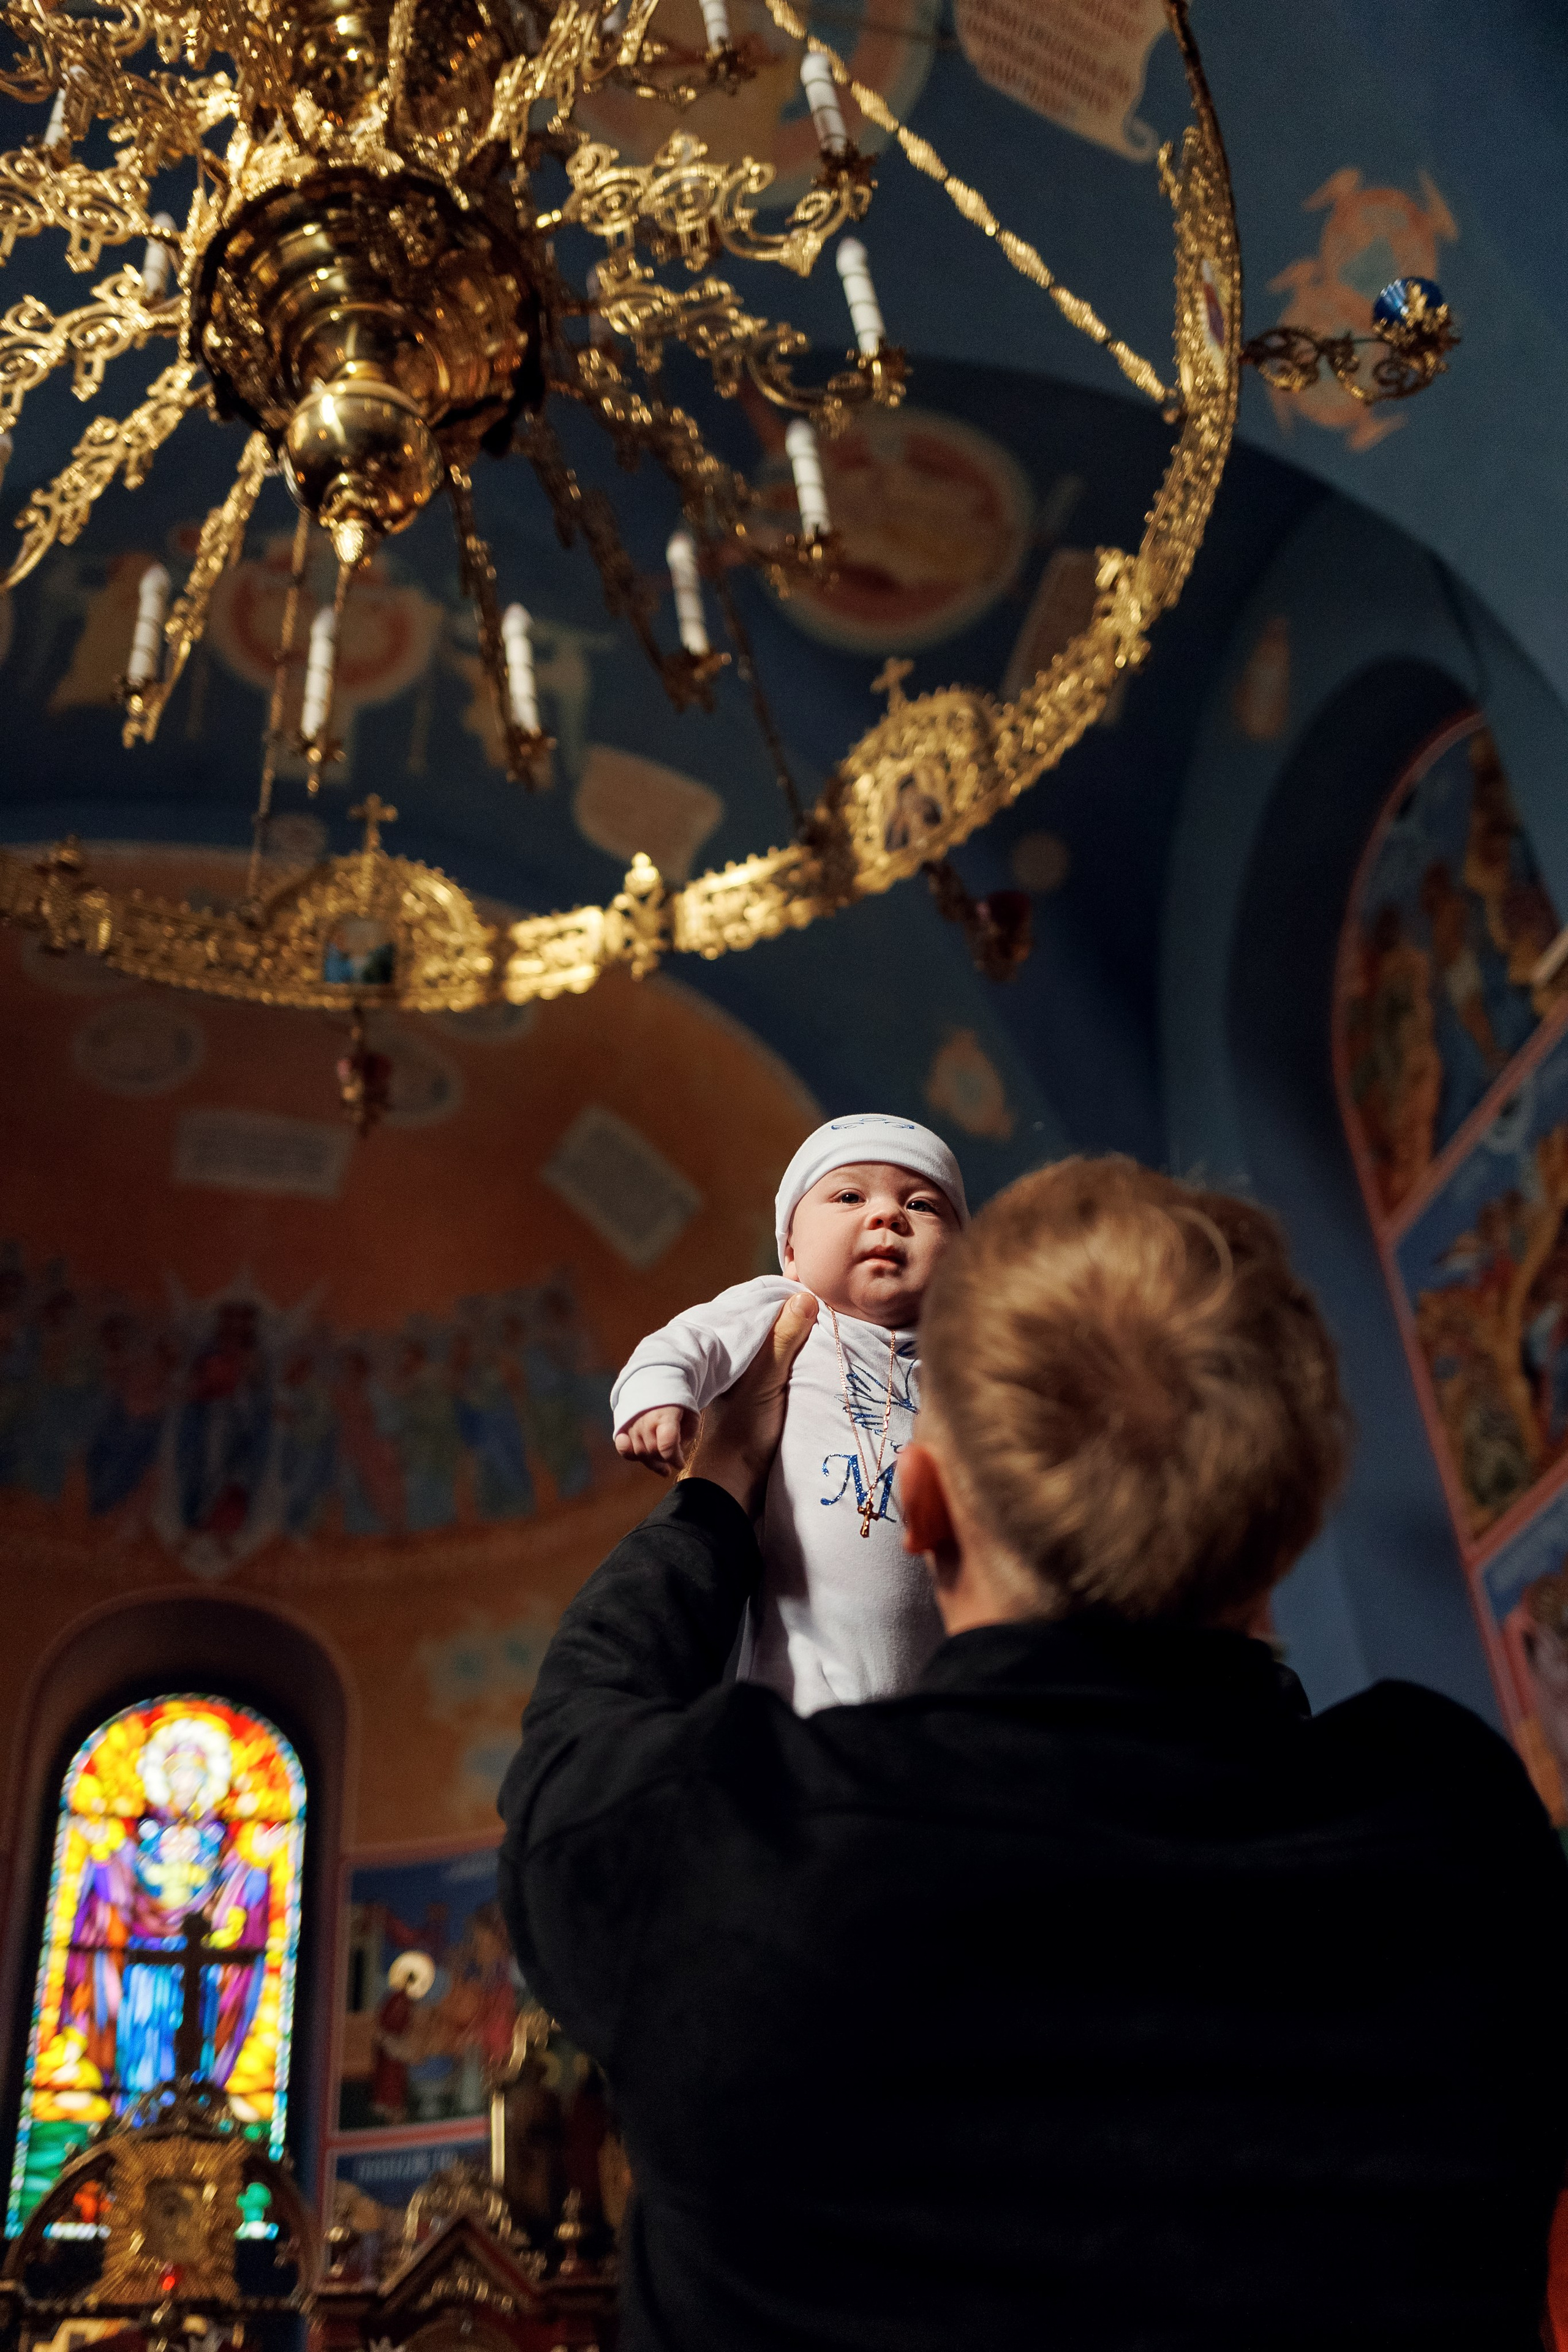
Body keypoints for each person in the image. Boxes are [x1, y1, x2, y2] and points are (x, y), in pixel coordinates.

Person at [499, 1157, 1568, 2352]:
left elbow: (576, 1742)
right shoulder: (1454, 1833)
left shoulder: (728, 1850)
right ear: (1286, 1514)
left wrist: (716, 1493)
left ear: (923, 1508)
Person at [611, 1114, 967, 1712]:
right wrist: (657, 1394)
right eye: (849, 1195)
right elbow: (689, 1343)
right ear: (792, 1252)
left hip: (942, 1674)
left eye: (924, 1205)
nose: (888, 1215)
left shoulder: (965, 1353)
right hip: (805, 1677)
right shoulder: (781, 1309)